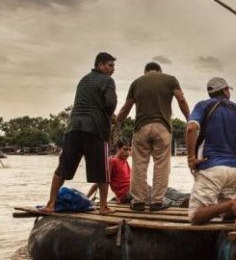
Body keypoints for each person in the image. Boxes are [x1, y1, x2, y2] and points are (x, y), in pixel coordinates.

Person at [40, 52, 118, 215]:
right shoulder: (107, 81)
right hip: (95, 128)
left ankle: (51, 203)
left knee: (62, 168)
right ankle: (103, 206)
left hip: (74, 127)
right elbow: (110, 103)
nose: (113, 69)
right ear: (101, 65)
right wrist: (109, 116)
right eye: (110, 65)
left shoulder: (83, 80)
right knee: (102, 170)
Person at [186, 77, 236, 225]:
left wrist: (191, 158)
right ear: (225, 90)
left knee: (195, 216)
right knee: (228, 215)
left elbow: (191, 128)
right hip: (234, 171)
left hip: (211, 168)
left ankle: (232, 204)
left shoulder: (203, 106)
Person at [115, 62, 190, 211]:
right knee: (161, 165)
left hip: (141, 128)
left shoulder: (136, 83)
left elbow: (126, 108)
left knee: (139, 165)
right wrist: (190, 119)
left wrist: (116, 124)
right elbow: (181, 99)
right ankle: (157, 202)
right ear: (159, 71)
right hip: (162, 128)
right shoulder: (170, 79)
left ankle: (138, 202)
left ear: (145, 72)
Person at [87, 139, 191, 207]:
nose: (127, 153)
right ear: (118, 149)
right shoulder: (112, 161)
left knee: (164, 189)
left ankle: (187, 197)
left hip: (136, 188)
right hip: (127, 194)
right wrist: (87, 198)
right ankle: (180, 204)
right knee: (157, 198)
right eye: (124, 150)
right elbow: (100, 181)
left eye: (129, 150)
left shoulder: (124, 161)